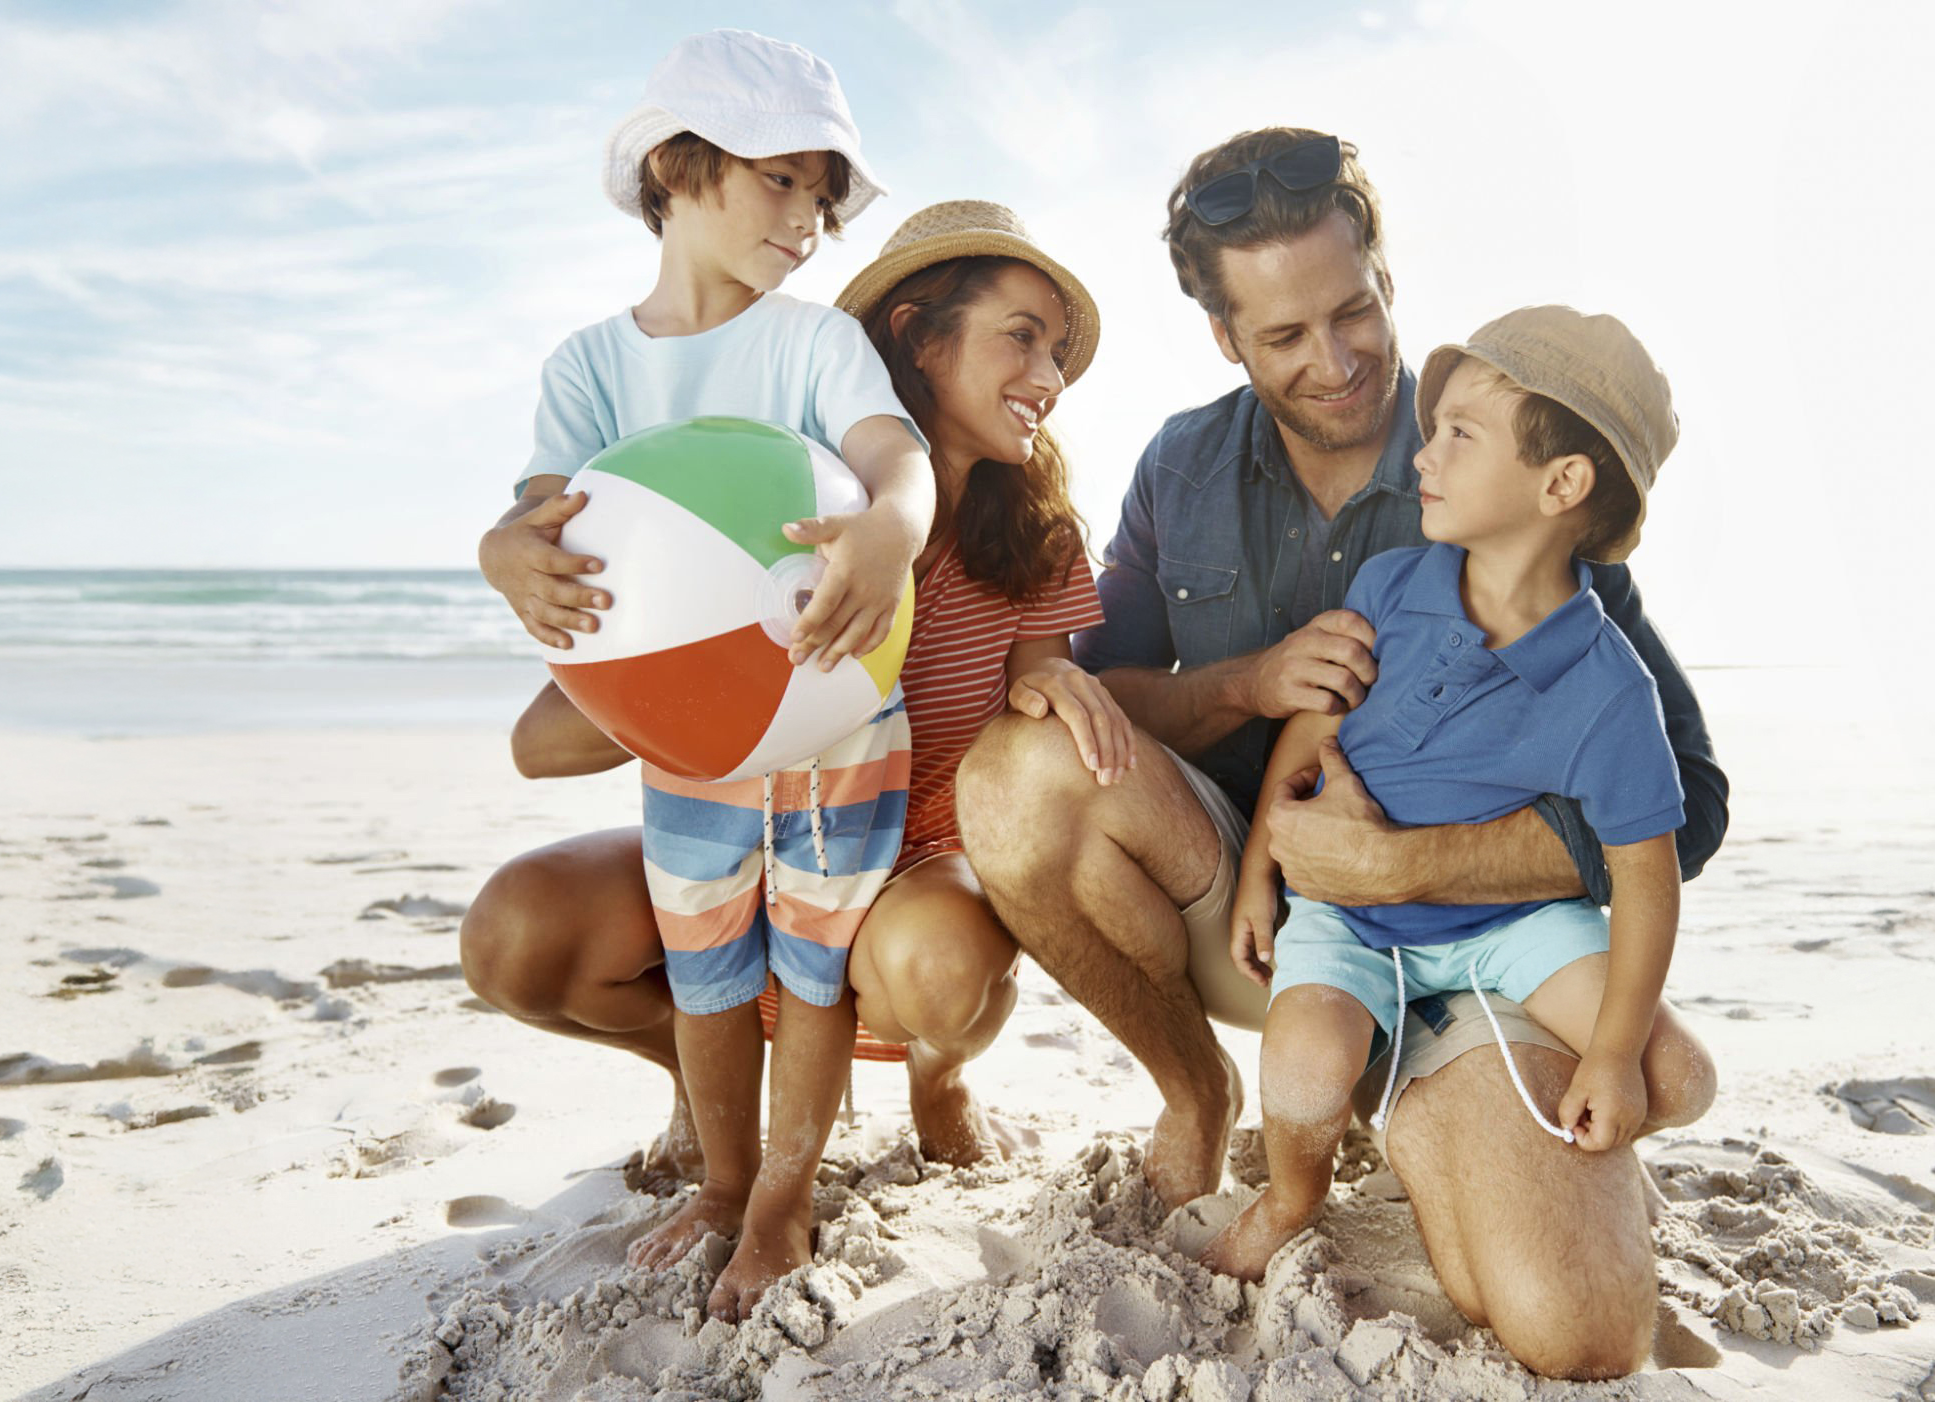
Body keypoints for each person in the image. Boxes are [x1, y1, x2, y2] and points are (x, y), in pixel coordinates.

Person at [956, 128, 1728, 1379]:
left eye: (1354, 311)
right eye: (1284, 337)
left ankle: (1432, 1115)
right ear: (1225, 339)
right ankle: (1206, 1091)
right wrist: (1245, 684)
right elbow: (1099, 696)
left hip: (1485, 953)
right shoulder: (1183, 468)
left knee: (1576, 1328)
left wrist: (1407, 863)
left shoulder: (1511, 446)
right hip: (1274, 925)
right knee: (1014, 772)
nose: (1338, 361)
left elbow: (1686, 804)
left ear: (1383, 272)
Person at [462, 200, 1129, 1319]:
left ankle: (938, 1078)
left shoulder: (1037, 526)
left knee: (932, 969)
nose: (1049, 371)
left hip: (914, 864)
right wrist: (533, 565)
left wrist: (1050, 682)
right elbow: (544, 739)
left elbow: (1048, 672)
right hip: (747, 803)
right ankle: (704, 1079)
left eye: (1057, 347)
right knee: (516, 935)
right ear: (919, 335)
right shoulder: (783, 500)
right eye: (1022, 334)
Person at [467, 31, 933, 1322]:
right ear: (680, 170)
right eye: (782, 180)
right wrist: (501, 551)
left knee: (812, 966)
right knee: (709, 957)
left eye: (822, 195)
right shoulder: (592, 369)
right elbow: (541, 521)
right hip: (691, 730)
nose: (810, 220)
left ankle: (785, 1193)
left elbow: (894, 456)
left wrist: (892, 523)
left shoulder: (812, 346)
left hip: (833, 705)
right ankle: (726, 1181)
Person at [1204, 304, 1701, 1284]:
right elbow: (1312, 729)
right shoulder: (1394, 585)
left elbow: (1647, 878)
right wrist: (1262, 863)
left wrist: (1607, 1058)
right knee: (1304, 1066)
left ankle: (1557, 1126)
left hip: (1507, 928)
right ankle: (1297, 1192)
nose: (1424, 456)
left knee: (1672, 1073)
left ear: (1561, 484)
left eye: (1460, 436)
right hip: (1348, 913)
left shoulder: (1610, 688)